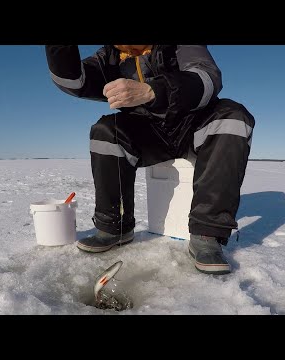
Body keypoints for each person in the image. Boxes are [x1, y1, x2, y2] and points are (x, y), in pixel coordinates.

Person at [45, 45, 255, 275]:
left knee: (233, 117)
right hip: (148, 132)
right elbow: (74, 82)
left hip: (193, 125)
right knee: (107, 131)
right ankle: (115, 227)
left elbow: (207, 78)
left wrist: (153, 91)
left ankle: (208, 234)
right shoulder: (110, 57)